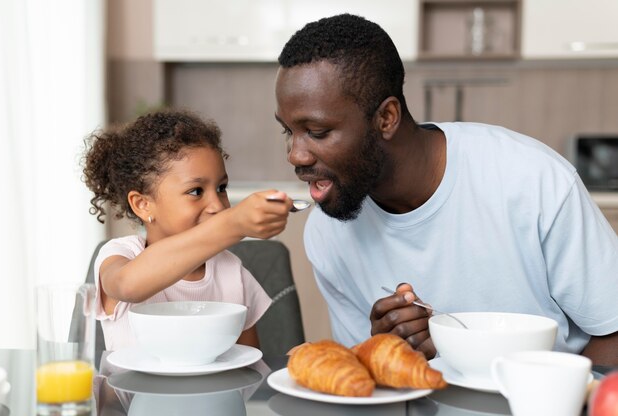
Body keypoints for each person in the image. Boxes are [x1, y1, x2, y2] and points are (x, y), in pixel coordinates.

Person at [274, 13, 618, 364]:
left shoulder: (532, 181)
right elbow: (368, 379)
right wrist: (385, 350)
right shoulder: (328, 232)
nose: (295, 155)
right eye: (288, 131)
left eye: (316, 132)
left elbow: (614, 331)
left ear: (386, 118)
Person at [82, 110, 292, 351]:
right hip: (133, 390)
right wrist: (232, 223)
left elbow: (248, 367)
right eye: (196, 191)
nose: (217, 206)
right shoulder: (121, 255)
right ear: (143, 204)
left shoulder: (232, 272)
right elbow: (128, 286)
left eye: (221, 188)